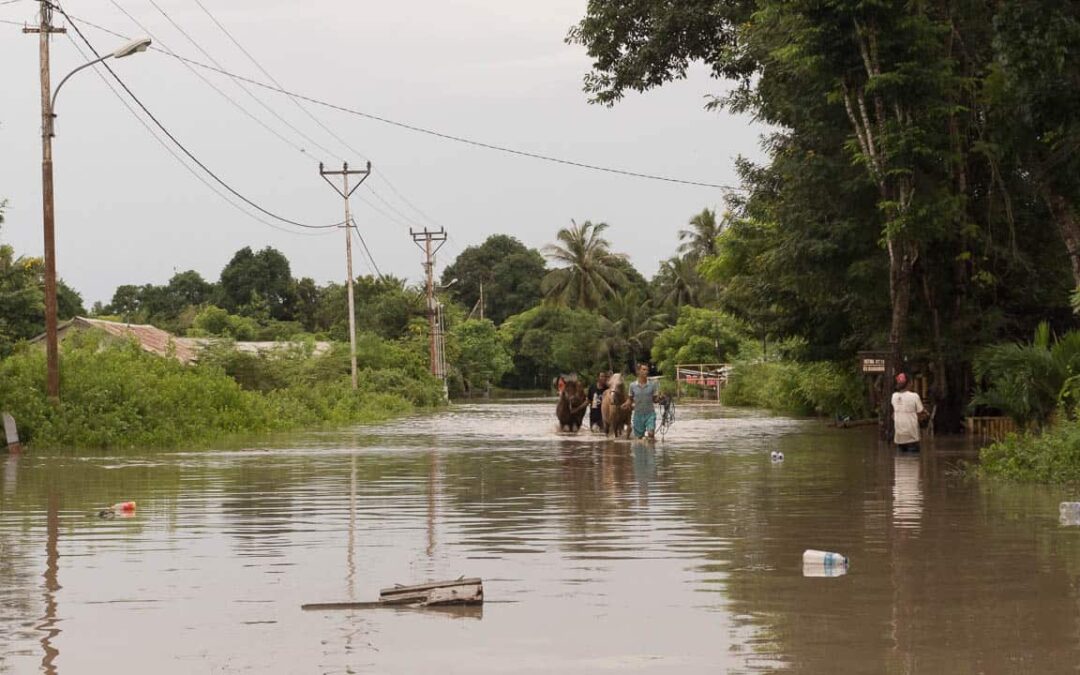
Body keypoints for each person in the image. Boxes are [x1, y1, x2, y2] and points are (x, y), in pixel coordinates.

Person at [624, 363, 660, 440]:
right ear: (638, 371)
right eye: (644, 369)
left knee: (651, 434)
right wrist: (626, 404)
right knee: (639, 438)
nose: (646, 371)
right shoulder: (632, 385)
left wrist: (661, 399)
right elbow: (630, 399)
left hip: (650, 414)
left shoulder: (652, 385)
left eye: (647, 370)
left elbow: (655, 400)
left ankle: (651, 450)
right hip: (638, 414)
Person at [891, 372, 925, 452]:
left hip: (899, 438)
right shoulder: (914, 396)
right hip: (912, 437)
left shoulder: (894, 396)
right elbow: (920, 413)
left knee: (900, 463)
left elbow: (893, 415)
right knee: (913, 462)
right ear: (909, 383)